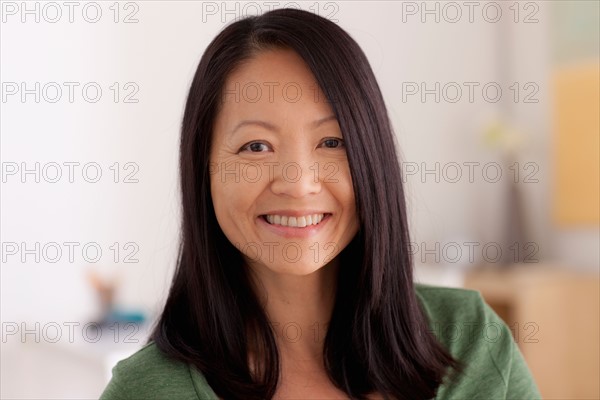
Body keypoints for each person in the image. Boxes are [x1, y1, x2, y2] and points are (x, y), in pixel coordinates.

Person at [100, 8, 541, 400]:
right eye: (256, 146)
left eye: (332, 141)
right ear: (204, 169)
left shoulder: (468, 340)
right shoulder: (145, 390)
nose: (298, 183)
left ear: (373, 158)